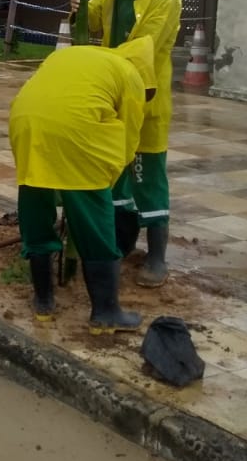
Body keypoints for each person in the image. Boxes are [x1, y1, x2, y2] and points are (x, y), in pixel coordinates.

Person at [9, 37, 157, 334]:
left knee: (36, 203)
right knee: (95, 227)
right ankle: (105, 313)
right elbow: (128, 141)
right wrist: (105, 186)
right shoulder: (131, 75)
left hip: (25, 123)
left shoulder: (77, 56)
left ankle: (43, 304)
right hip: (78, 131)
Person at [73, 0, 182, 287]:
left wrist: (96, 67)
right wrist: (79, 6)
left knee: (146, 174)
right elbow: (94, 23)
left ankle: (157, 257)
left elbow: (142, 48)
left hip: (146, 98)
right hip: (114, 96)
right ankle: (121, 243)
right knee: (115, 171)